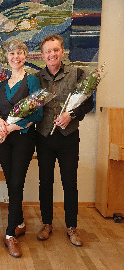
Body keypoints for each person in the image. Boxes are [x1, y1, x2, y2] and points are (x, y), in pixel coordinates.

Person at [35, 34, 94, 246]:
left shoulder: (76, 74)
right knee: (45, 182)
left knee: (70, 182)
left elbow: (88, 103)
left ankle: (71, 226)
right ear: (43, 55)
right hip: (43, 137)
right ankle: (47, 223)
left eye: (56, 50)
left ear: (63, 52)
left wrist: (72, 115)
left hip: (69, 137)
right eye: (48, 51)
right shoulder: (36, 77)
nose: (52, 54)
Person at [0, 39, 43, 258]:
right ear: (7, 57)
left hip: (23, 138)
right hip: (4, 141)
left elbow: (38, 114)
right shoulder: (2, 84)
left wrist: (11, 126)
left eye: (20, 53)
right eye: (12, 53)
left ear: (26, 55)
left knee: (16, 182)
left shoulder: (32, 81)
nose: (16, 57)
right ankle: (19, 222)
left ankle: (10, 233)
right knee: (11, 182)